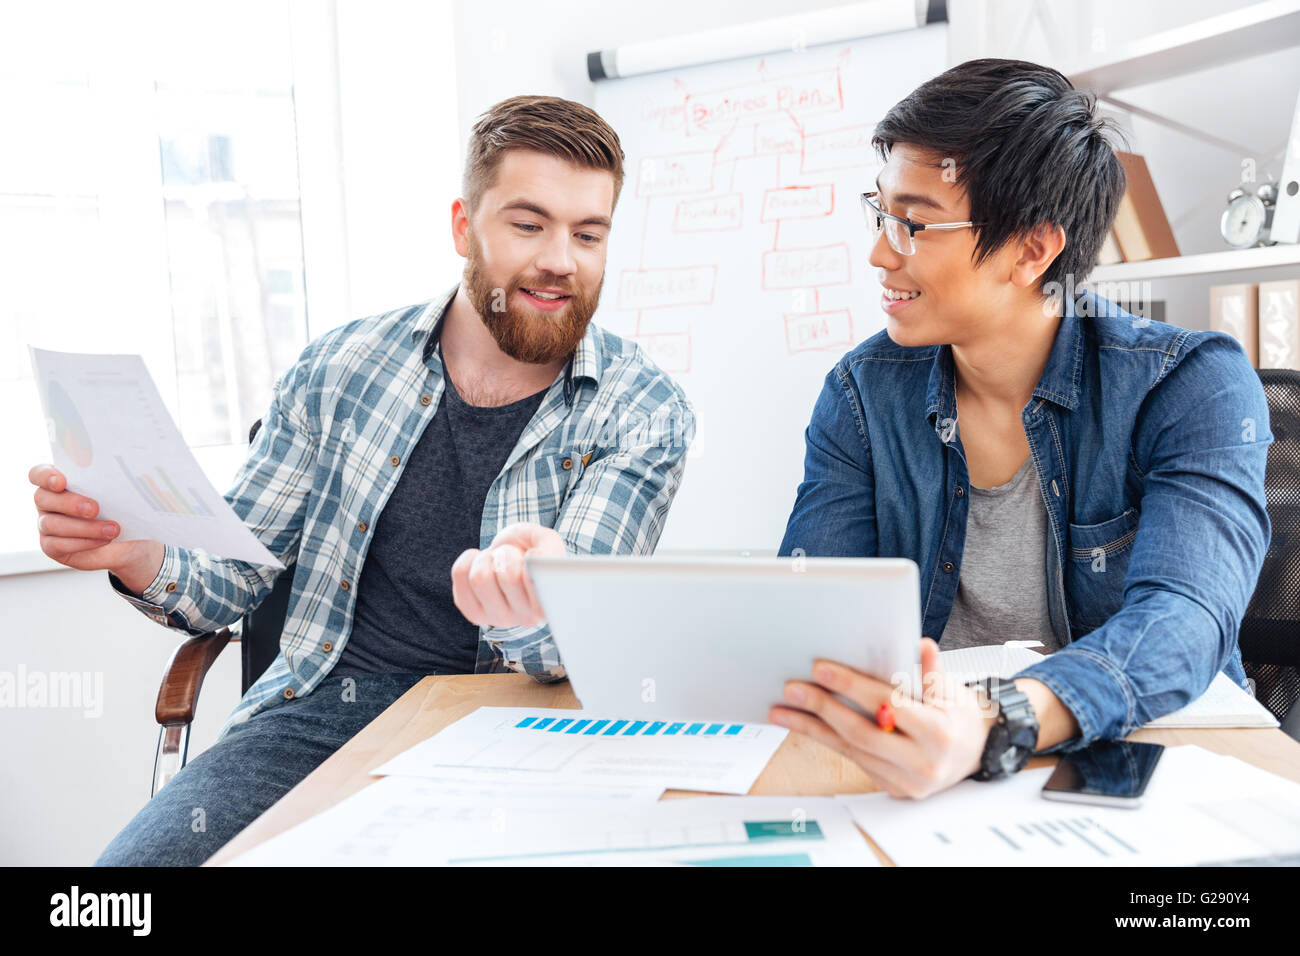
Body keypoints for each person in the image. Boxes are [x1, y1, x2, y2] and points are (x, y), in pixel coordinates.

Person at [29, 95, 695, 864]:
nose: (560, 260)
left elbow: (569, 653)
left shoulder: (645, 409)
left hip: (519, 732)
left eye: (588, 234)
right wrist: (133, 550)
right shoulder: (339, 368)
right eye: (527, 224)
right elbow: (232, 575)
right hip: (317, 718)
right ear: (462, 226)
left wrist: (545, 596)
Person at [771, 59, 1271, 798]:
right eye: (880, 214)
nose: (881, 251)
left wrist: (996, 720)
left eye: (913, 223)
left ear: (1034, 250)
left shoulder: (1186, 383)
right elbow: (812, 617)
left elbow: (1184, 619)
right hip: (930, 764)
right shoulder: (862, 392)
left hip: (1150, 759)